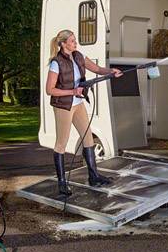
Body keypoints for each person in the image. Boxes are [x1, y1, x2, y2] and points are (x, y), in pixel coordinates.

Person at [46, 29, 122, 196]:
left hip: (78, 103)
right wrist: (72, 92)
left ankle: (94, 176)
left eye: (75, 40)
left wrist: (111, 71)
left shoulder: (79, 56)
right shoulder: (56, 63)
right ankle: (61, 183)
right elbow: (50, 90)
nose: (75, 43)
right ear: (63, 44)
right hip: (63, 106)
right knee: (61, 143)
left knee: (88, 138)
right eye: (72, 41)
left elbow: (97, 69)